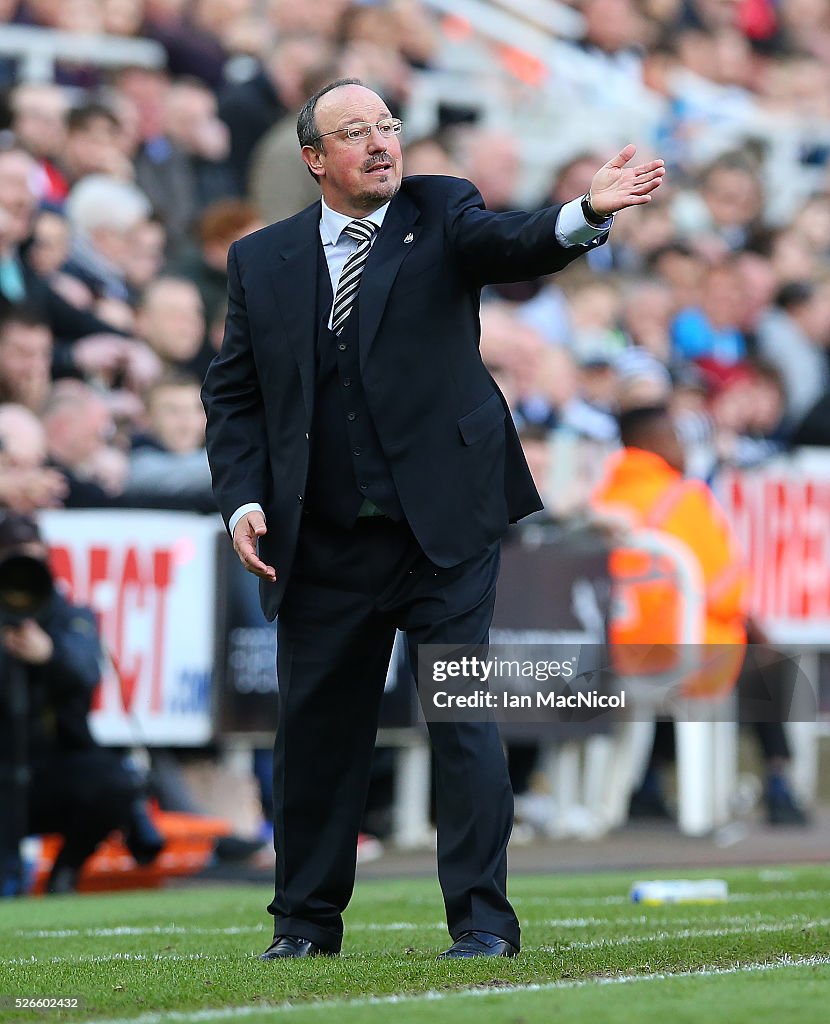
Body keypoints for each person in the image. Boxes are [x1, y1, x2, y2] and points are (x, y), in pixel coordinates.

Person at [201, 78, 664, 960]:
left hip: (442, 527)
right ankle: (303, 927)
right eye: (354, 132)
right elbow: (233, 398)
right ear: (314, 160)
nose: (380, 143)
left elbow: (514, 243)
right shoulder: (261, 261)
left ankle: (483, 924)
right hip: (323, 537)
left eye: (387, 126)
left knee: (460, 716)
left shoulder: (443, 208)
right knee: (317, 736)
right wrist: (244, 500)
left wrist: (583, 212)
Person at [0, 512, 163, 895]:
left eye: (29, 556)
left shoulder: (70, 614)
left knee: (115, 781)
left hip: (52, 767)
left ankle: (65, 874)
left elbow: (87, 673)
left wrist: (48, 655)